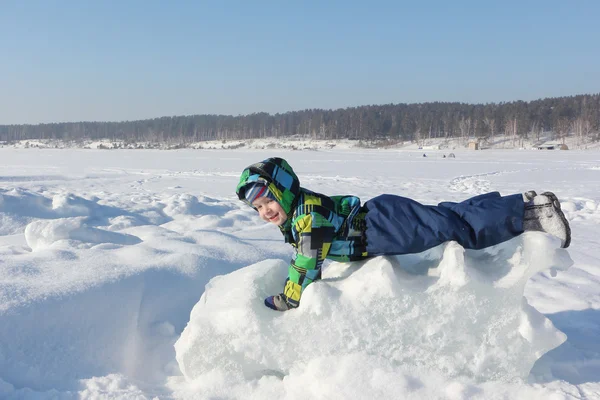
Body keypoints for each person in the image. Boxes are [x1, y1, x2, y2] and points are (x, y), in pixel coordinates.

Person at [236, 157, 571, 311]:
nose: (265, 212)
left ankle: (534, 212)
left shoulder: (307, 216)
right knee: (448, 216)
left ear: (284, 191)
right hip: (382, 222)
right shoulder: (298, 214)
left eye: (269, 202)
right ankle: (517, 204)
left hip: (383, 226)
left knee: (458, 228)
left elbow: (307, 261)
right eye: (259, 209)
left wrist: (289, 298)